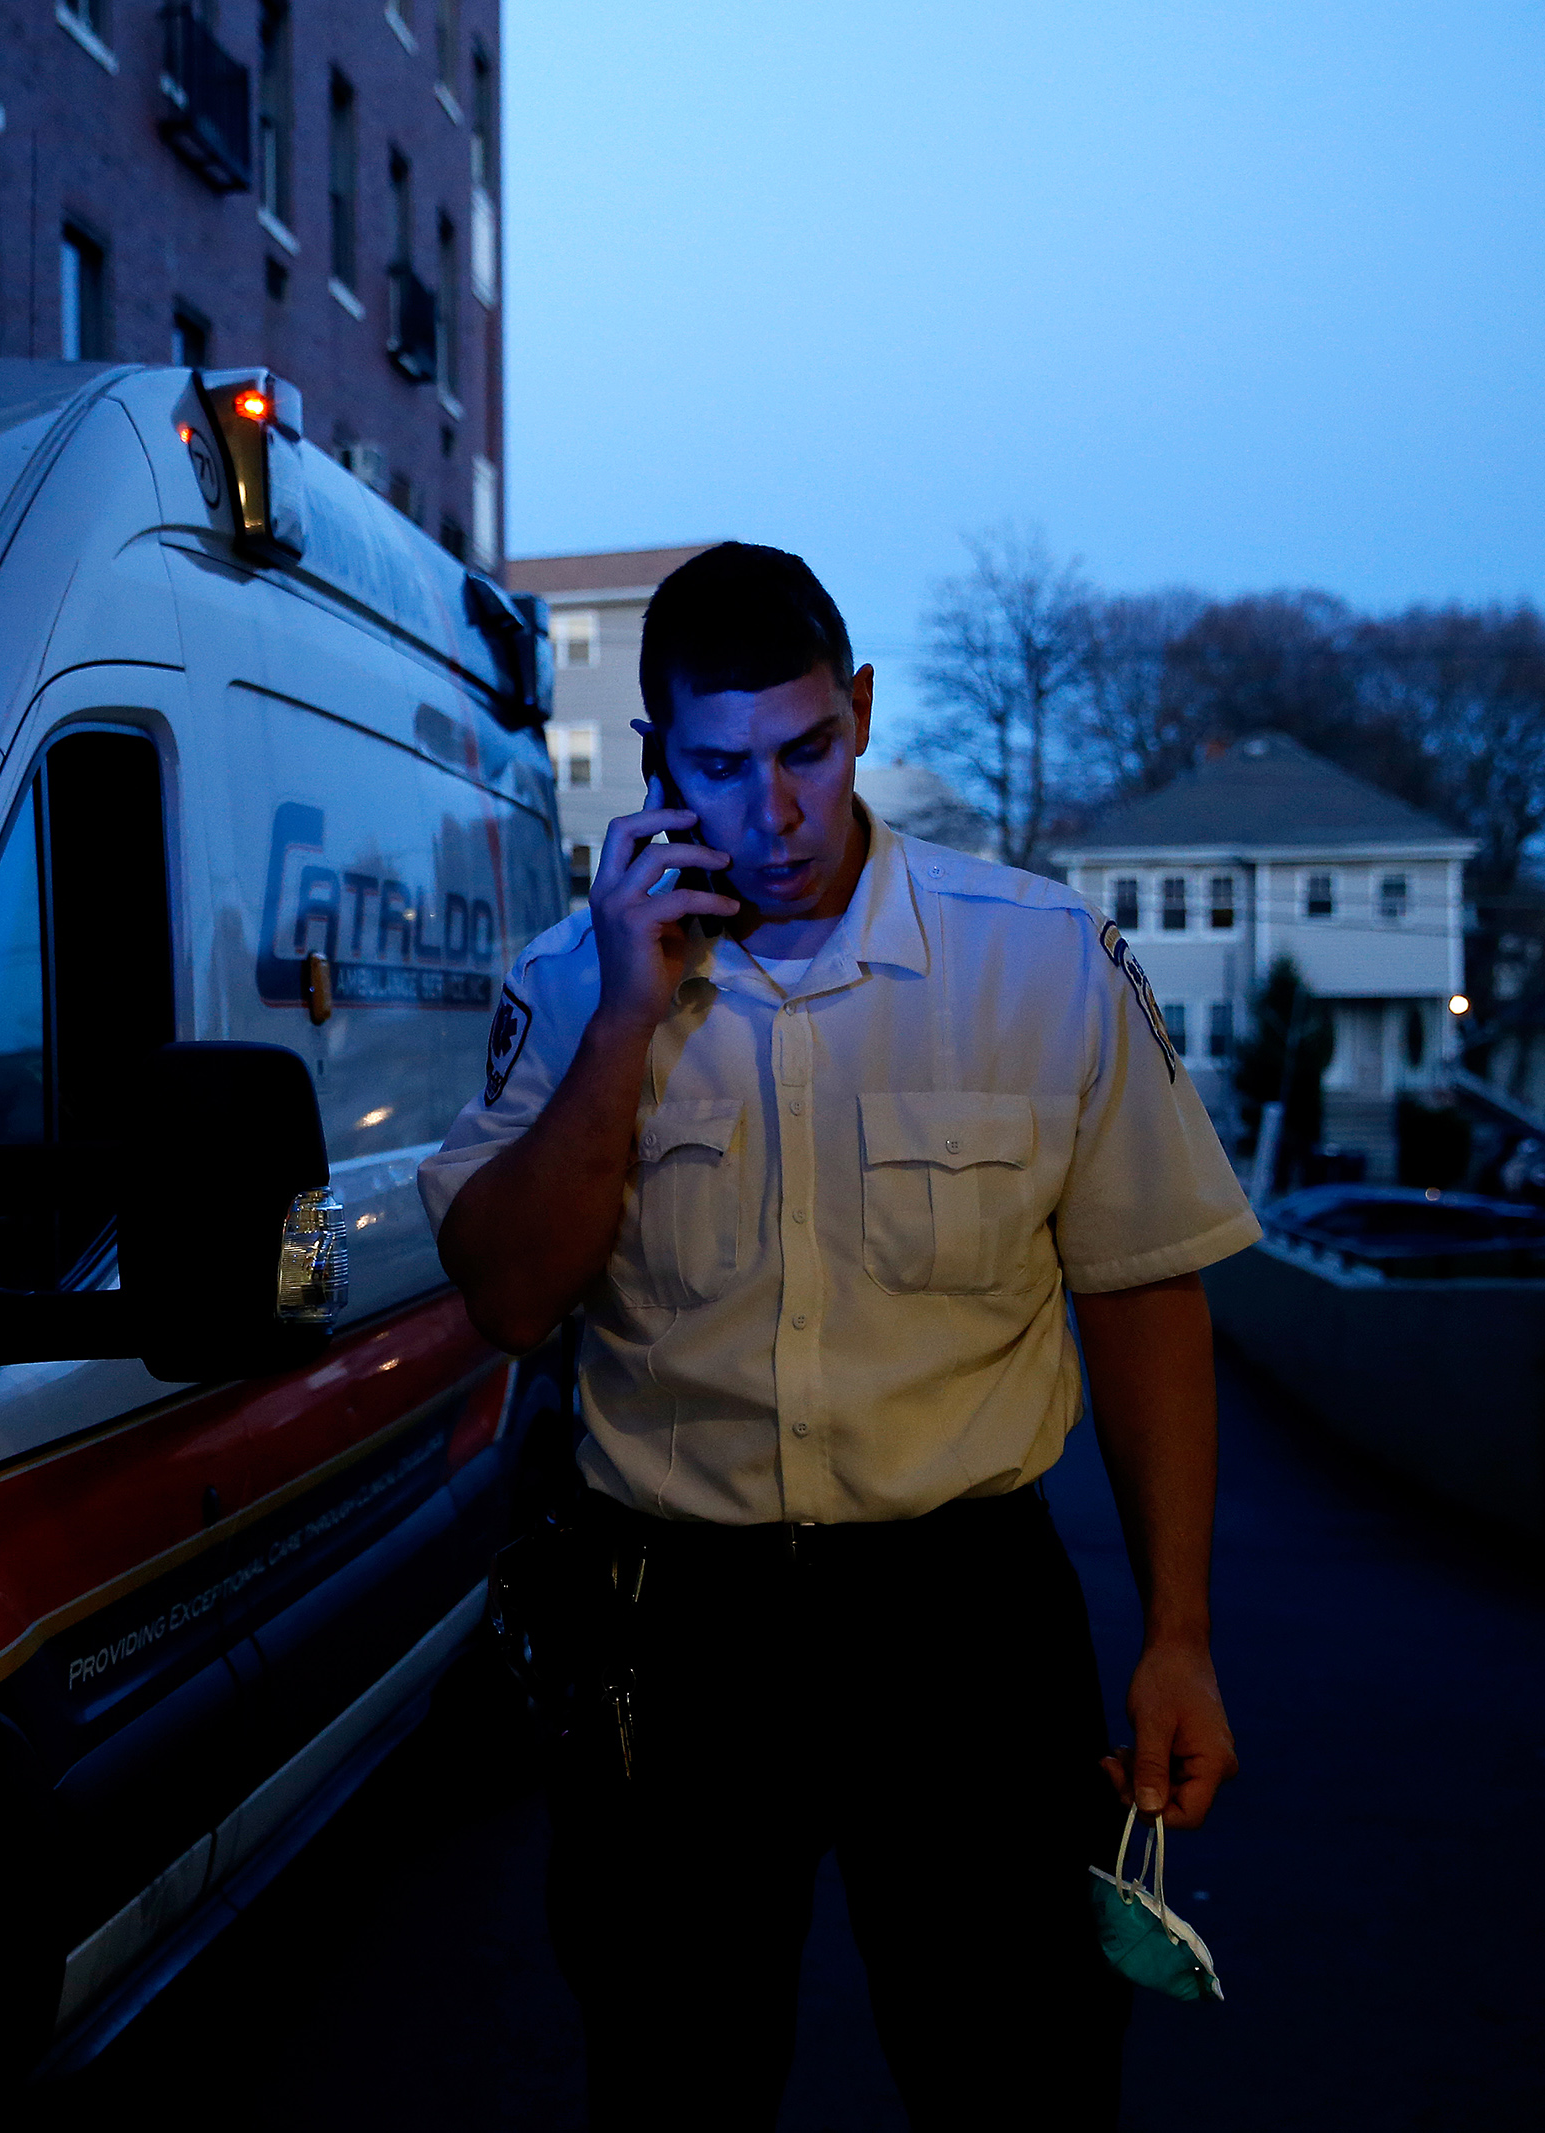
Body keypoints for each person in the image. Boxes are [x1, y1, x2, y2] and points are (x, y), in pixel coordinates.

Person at [421, 544, 1254, 2130]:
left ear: (861, 712)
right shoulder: (565, 980)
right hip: (675, 1626)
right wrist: (622, 1018)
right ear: (659, 758)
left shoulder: (1038, 959)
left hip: (961, 1617)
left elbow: (1145, 1291)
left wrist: (1181, 1632)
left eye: (806, 750)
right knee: (673, 2075)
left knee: (1018, 2071)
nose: (774, 811)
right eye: (721, 767)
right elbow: (514, 1297)